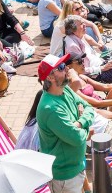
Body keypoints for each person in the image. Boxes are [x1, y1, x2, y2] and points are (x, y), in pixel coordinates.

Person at [35, 53, 93, 193]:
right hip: (65, 177)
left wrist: (79, 124)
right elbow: (77, 138)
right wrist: (86, 131)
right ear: (49, 77)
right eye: (61, 67)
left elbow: (89, 108)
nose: (67, 68)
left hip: (76, 165)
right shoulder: (50, 109)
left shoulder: (65, 89)